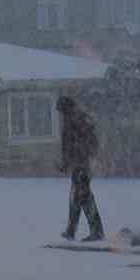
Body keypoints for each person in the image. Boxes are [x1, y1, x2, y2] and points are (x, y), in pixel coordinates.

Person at [56, 95, 105, 242]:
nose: (60, 115)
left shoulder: (73, 121)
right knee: (76, 197)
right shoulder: (81, 118)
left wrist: (67, 163)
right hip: (82, 163)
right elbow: (89, 142)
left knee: (83, 197)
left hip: (80, 164)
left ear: (65, 109)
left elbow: (69, 146)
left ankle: (96, 231)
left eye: (61, 111)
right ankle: (71, 230)